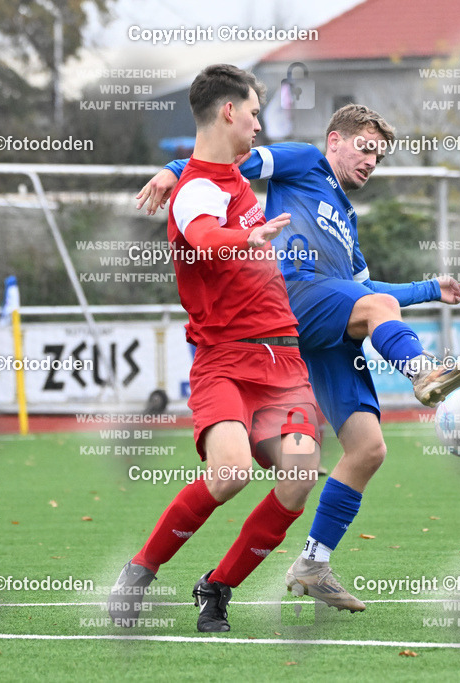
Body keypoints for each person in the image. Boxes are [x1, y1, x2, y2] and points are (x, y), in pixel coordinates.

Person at [137, 104, 460, 612]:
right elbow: (224, 161)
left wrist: (430, 287)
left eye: (380, 155)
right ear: (335, 141)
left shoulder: (347, 223)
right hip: (289, 295)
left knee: (368, 449)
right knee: (374, 310)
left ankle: (312, 562)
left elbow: (365, 290)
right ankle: (423, 373)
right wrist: (173, 171)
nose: (373, 161)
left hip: (323, 330)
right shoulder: (305, 162)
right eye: (365, 147)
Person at [107, 64, 322, 634]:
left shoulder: (233, 174)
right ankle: (140, 571)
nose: (259, 125)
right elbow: (202, 236)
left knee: (299, 475)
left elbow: (212, 164)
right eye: (254, 113)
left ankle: (217, 588)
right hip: (226, 358)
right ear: (229, 112)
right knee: (229, 473)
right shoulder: (199, 190)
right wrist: (242, 237)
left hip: (283, 361)